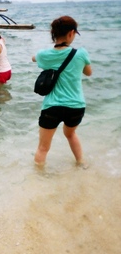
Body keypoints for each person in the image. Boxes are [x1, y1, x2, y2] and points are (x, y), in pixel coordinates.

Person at [32, 15, 92, 166]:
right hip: (76, 106)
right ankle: (81, 163)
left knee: (43, 148)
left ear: (53, 33)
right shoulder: (81, 53)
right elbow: (88, 72)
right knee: (71, 134)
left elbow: (34, 58)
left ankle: (38, 180)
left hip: (52, 107)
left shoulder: (44, 55)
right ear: (71, 33)